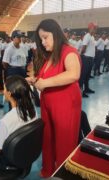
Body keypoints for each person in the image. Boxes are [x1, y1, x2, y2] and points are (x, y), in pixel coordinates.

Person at [27, 19, 82, 178]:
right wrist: (36, 80)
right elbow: (48, 78)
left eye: (45, 37)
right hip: (48, 103)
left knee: (64, 141)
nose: (43, 42)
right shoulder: (50, 55)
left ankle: (63, 174)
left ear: (56, 34)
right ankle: (49, 169)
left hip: (65, 104)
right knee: (48, 138)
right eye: (41, 39)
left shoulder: (69, 51)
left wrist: (44, 83)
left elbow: (73, 74)